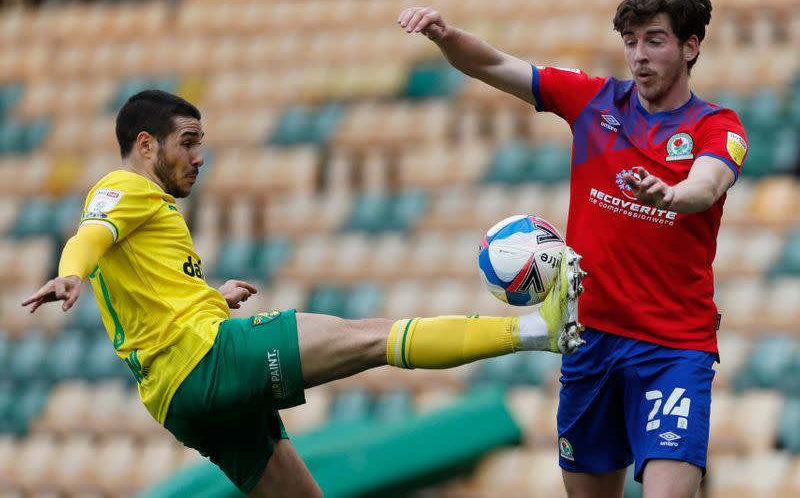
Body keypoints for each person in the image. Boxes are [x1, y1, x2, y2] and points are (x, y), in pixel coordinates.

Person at [22, 90, 585, 498]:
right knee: (371, 339)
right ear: (145, 145)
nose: (199, 157)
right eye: (187, 143)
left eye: (202, 143)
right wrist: (70, 271)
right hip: (207, 360)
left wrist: (214, 297)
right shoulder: (125, 188)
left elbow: (151, 299)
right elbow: (89, 236)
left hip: (176, 400)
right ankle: (540, 329)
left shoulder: (150, 213)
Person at [398, 0, 747, 498]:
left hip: (673, 348)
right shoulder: (594, 101)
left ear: (690, 46)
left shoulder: (717, 125)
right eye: (630, 41)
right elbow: (495, 65)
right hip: (589, 342)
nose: (639, 55)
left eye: (654, 40)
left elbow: (708, 183)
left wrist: (669, 196)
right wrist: (446, 36)